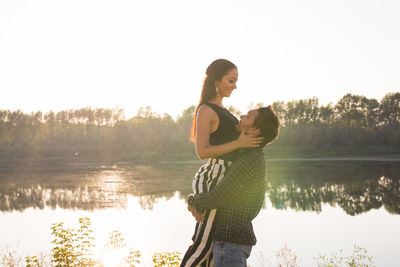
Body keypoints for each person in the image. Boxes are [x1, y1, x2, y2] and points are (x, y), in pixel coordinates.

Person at [180, 59, 263, 267]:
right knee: (202, 245)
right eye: (231, 80)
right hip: (215, 173)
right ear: (217, 80)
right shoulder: (206, 110)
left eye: (236, 81)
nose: (235, 86)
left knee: (210, 247)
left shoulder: (223, 110)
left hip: (224, 174)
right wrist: (238, 143)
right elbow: (202, 151)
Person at [187, 106, 280, 267]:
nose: (241, 115)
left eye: (247, 117)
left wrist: (192, 200)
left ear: (255, 130)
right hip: (228, 242)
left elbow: (217, 197)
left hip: (231, 244)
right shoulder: (243, 155)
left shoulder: (250, 160)